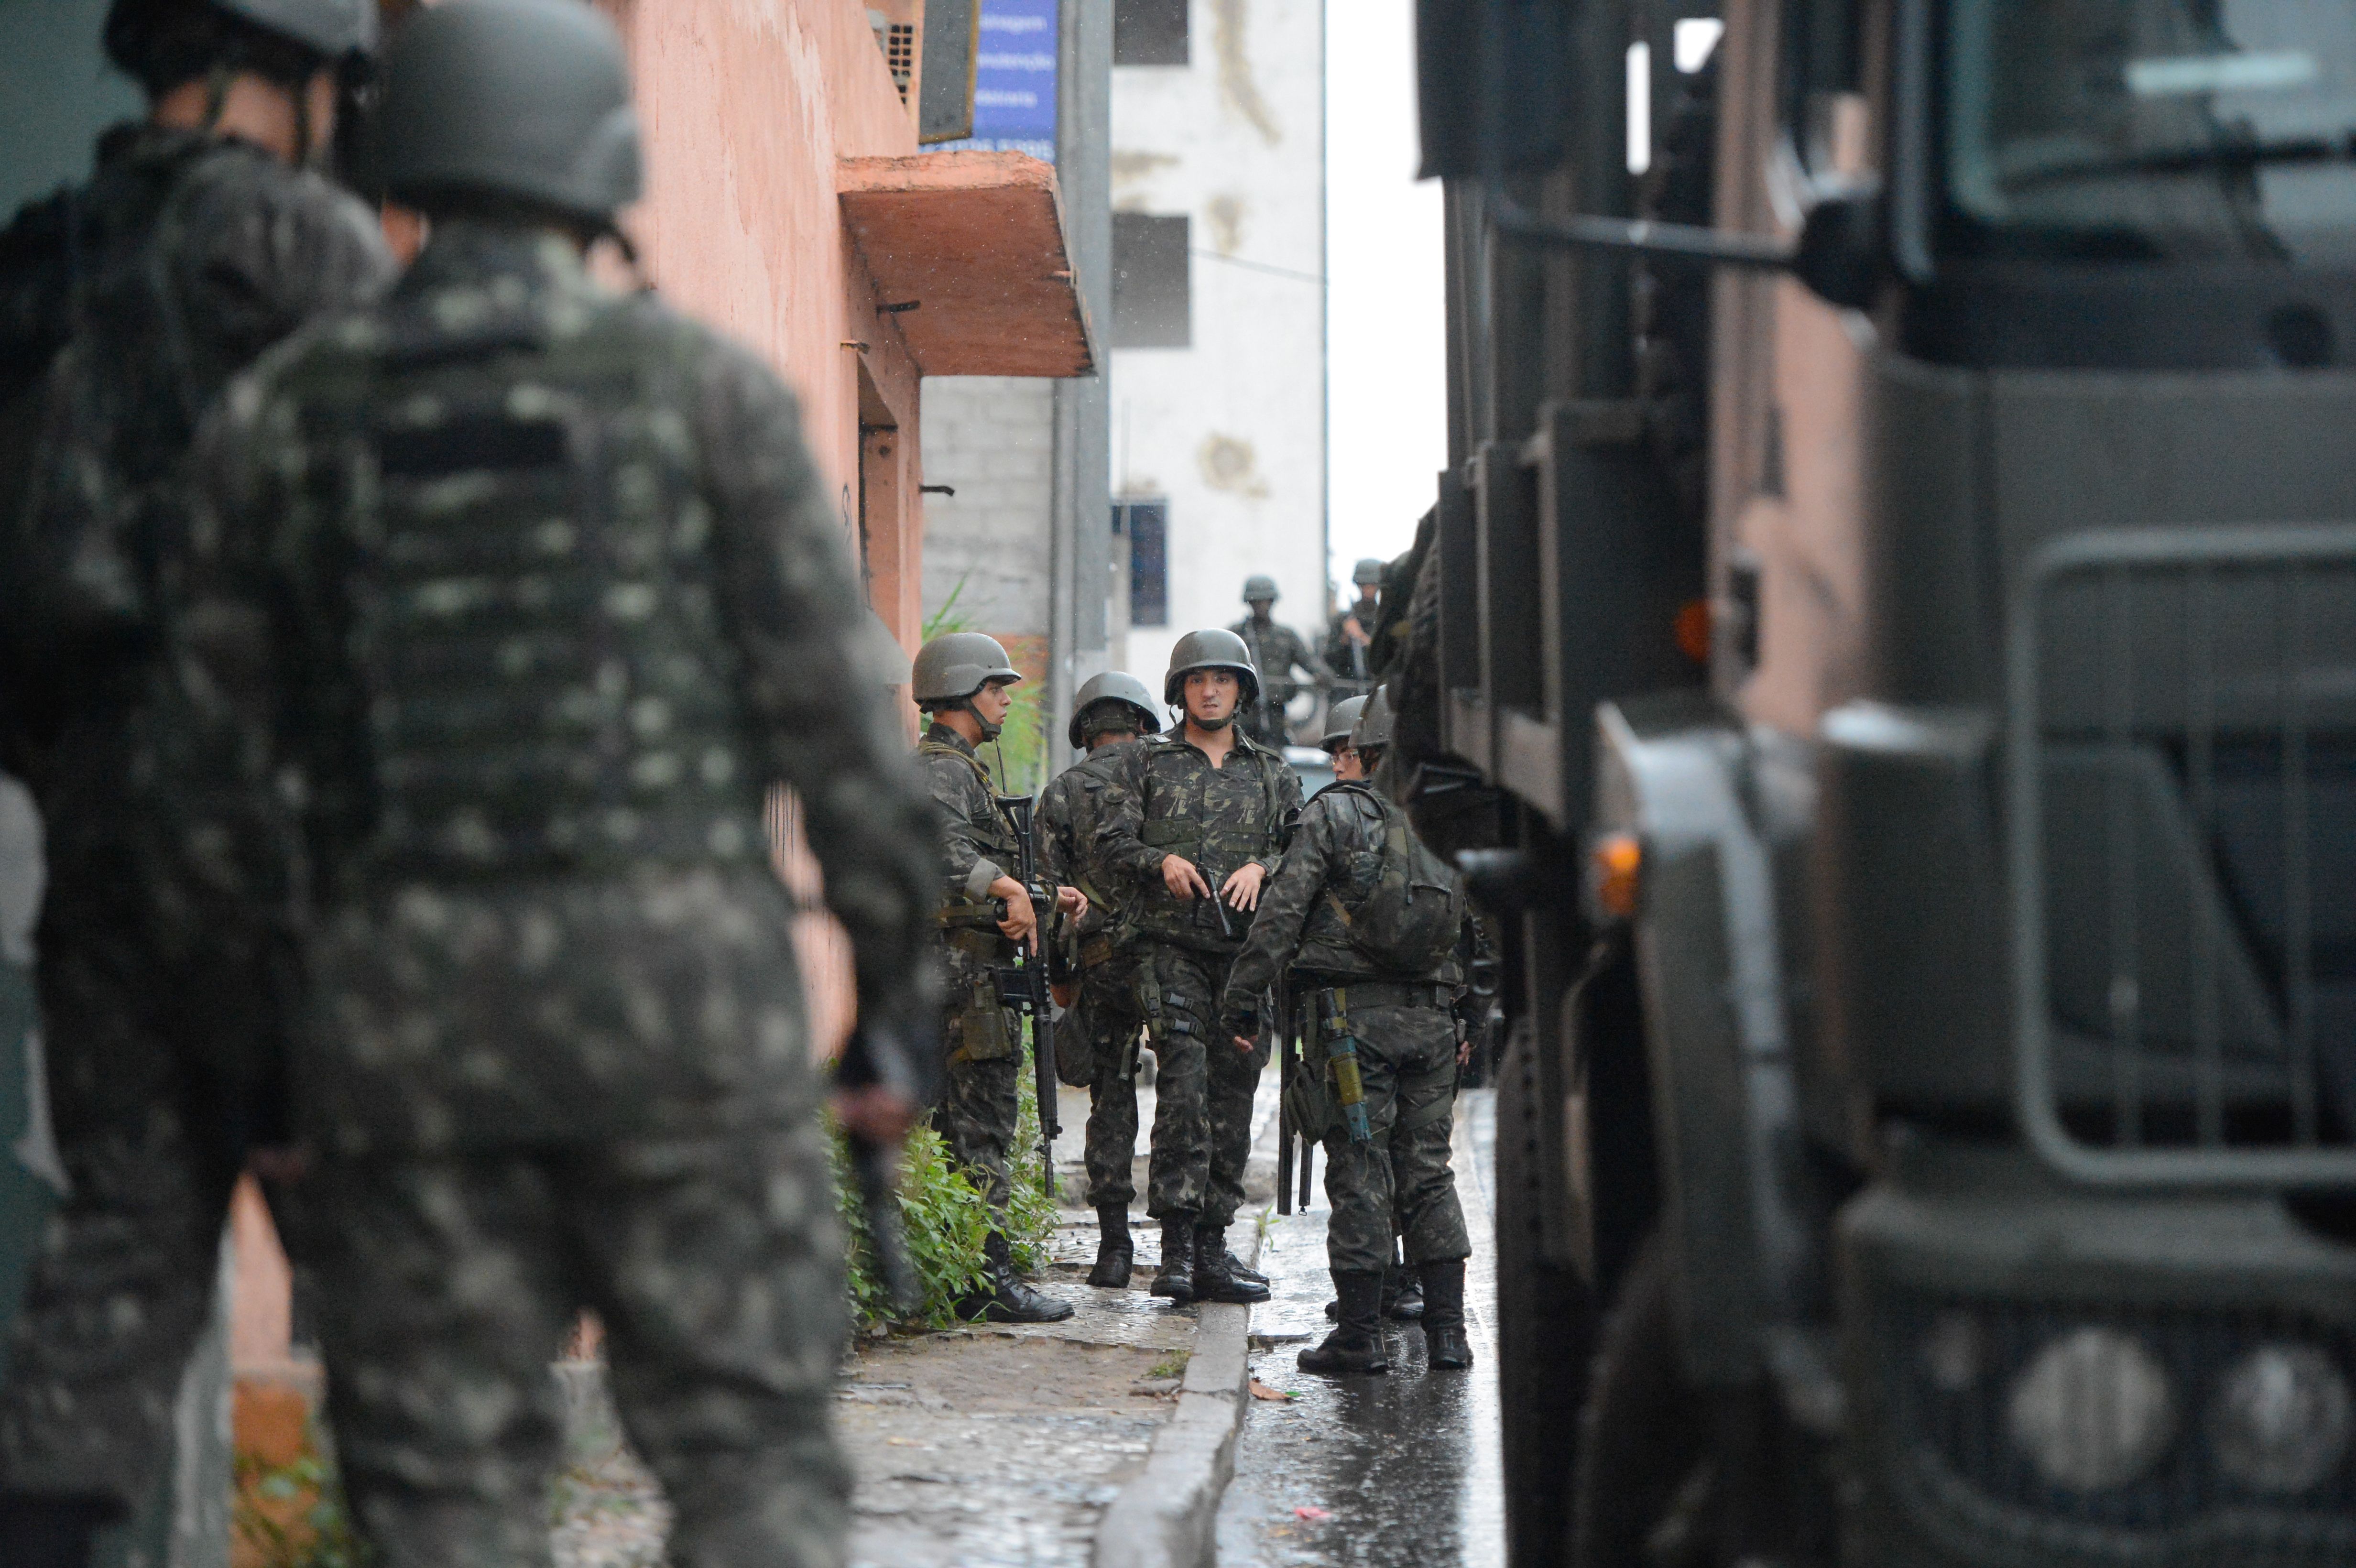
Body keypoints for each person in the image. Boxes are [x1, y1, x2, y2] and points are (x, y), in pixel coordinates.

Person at [182, 4, 945, 1563]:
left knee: (441, 1505)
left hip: (401, 1043)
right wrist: (885, 1003)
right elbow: (851, 748)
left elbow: (211, 792)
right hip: (682, 1024)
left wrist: (261, 1075)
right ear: (595, 161)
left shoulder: (282, 419)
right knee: (751, 1477)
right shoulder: (705, 396)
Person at [0, 2, 390, 1559]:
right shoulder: (303, 245)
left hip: (97, 840)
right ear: (275, 74)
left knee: (119, 1266)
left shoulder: (35, 259)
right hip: (285, 848)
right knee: (393, 1295)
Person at [1220, 686, 1474, 1375]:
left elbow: (1279, 918)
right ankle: (1451, 1336)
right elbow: (1476, 932)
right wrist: (1469, 1018)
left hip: (1350, 1027)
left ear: (1361, 751)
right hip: (1433, 1021)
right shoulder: (1444, 820)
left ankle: (1360, 1337)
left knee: (1361, 1173)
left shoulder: (1333, 815)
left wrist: (1241, 1003)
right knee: (1429, 1171)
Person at [1092, 630, 1298, 1304]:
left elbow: (1303, 853)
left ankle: (1214, 1245)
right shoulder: (1145, 765)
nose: (1210, 691)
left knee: (1235, 1089)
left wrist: (1263, 865)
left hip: (1244, 959)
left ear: (1242, 690)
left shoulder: (1273, 773)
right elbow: (1112, 841)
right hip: (1169, 947)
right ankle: (1175, 1250)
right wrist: (1163, 862)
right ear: (1180, 691)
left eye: (1224, 680)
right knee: (1183, 1084)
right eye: (1198, 680)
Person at [911, 631, 1083, 1324]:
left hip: (969, 977)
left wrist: (1043, 896)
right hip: (960, 981)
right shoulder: (941, 771)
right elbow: (943, 853)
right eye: (996, 687)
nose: (1008, 699)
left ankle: (965, 1273)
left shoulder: (962, 769)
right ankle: (988, 1279)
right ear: (960, 692)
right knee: (979, 1130)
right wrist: (1008, 888)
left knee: (962, 1128)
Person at [1036, 670, 1162, 1287]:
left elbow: (1046, 898)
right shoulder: (1168, 779)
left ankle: (1115, 1248)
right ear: (1143, 724)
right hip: (1174, 966)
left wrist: (1061, 977)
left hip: (1101, 965)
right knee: (1189, 1097)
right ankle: (1189, 1246)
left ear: (1084, 731)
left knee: (1111, 1101)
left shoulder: (1060, 793)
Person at [1227, 575, 1328, 749]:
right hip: (1244, 712)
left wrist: (1322, 675)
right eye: (1257, 602)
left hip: (1275, 711)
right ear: (1249, 603)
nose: (1262, 606)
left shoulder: (1286, 637)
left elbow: (1310, 663)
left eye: (1266, 601)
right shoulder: (1237, 636)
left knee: (1275, 756)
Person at [1323, 558, 1386, 703]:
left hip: (1377, 690)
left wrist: (1364, 639)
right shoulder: (1342, 620)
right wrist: (1345, 639)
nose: (1368, 589)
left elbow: (1390, 657)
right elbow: (1329, 659)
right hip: (1347, 691)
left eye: (1372, 585)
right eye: (1364, 585)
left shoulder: (1385, 618)